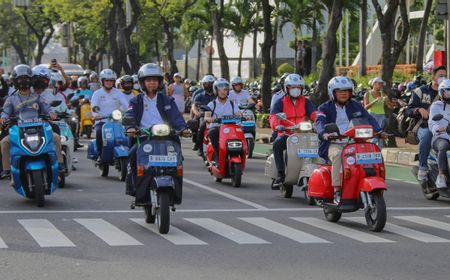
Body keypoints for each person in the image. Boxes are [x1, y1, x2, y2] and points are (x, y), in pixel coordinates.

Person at [315, 76, 384, 204]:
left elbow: (369, 118)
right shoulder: (324, 107)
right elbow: (319, 122)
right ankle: (337, 190)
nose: (343, 93)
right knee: (337, 156)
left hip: (355, 141)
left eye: (346, 91)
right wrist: (324, 133)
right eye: (340, 91)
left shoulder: (356, 106)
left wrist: (379, 131)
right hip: (335, 143)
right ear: (332, 92)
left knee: (372, 154)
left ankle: (368, 183)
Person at [124, 63, 191, 194]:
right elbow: (129, 114)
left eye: (155, 80)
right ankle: (133, 185)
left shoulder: (167, 100)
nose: (152, 83)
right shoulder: (136, 101)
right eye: (148, 80)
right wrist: (131, 127)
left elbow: (176, 117)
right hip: (143, 137)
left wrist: (183, 128)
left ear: (160, 82)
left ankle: (175, 188)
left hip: (166, 137)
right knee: (132, 154)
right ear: (142, 82)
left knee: (177, 157)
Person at [0, 64, 64, 179]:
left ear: (31, 80)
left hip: (38, 128)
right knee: (4, 142)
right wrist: (3, 118)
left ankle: (59, 164)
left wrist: (51, 114)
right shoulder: (11, 99)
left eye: (26, 78)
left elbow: (46, 108)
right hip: (18, 130)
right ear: (15, 81)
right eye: (20, 78)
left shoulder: (37, 97)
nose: (23, 81)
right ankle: (7, 170)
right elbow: (5, 112)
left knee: (56, 137)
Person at [269, 74, 316, 188]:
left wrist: (319, 121)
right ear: (287, 88)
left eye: (298, 87)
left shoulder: (306, 102)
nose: (296, 90)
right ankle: (280, 174)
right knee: (278, 144)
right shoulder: (280, 102)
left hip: (304, 134)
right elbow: (273, 116)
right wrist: (277, 125)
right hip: (286, 133)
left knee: (320, 143)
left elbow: (314, 113)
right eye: (292, 87)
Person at [407, 66, 447, 181]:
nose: (443, 78)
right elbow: (408, 110)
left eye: (445, 76)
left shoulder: (447, 91)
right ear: (433, 77)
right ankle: (423, 167)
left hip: (444, 127)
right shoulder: (421, 91)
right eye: (440, 76)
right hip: (424, 126)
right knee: (428, 134)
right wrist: (419, 110)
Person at [91, 69, 129, 158]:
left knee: (127, 133)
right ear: (102, 81)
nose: (109, 82)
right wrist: (96, 115)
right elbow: (94, 107)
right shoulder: (97, 93)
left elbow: (126, 105)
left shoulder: (118, 93)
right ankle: (100, 155)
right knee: (99, 132)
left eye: (111, 80)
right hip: (102, 121)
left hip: (117, 121)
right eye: (107, 80)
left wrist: (129, 112)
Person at [205, 79, 240, 164]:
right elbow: (206, 116)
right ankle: (218, 156)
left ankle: (238, 154)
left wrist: (245, 116)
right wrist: (209, 119)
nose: (222, 92)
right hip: (217, 128)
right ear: (216, 91)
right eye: (220, 90)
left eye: (225, 89)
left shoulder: (232, 104)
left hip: (230, 128)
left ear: (228, 91)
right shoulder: (211, 104)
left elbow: (238, 114)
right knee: (212, 133)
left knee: (240, 132)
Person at [428, 79, 450, 189]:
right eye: (448, 91)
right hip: (440, 137)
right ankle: (442, 176)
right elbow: (432, 124)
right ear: (442, 92)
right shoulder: (436, 106)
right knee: (443, 146)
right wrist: (441, 128)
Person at [363, 77, 393, 149]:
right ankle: (369, 148)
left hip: (381, 116)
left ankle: (378, 152)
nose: (381, 85)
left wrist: (388, 102)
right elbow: (365, 107)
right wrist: (375, 101)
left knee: (380, 136)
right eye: (379, 83)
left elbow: (391, 107)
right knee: (376, 135)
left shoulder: (383, 94)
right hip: (371, 116)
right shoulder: (367, 94)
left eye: (382, 84)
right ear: (374, 84)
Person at [191, 77, 217, 153]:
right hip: (203, 116)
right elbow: (194, 106)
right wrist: (197, 113)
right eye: (206, 84)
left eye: (211, 84)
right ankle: (199, 147)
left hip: (215, 115)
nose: (209, 85)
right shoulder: (199, 95)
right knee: (202, 127)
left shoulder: (217, 95)